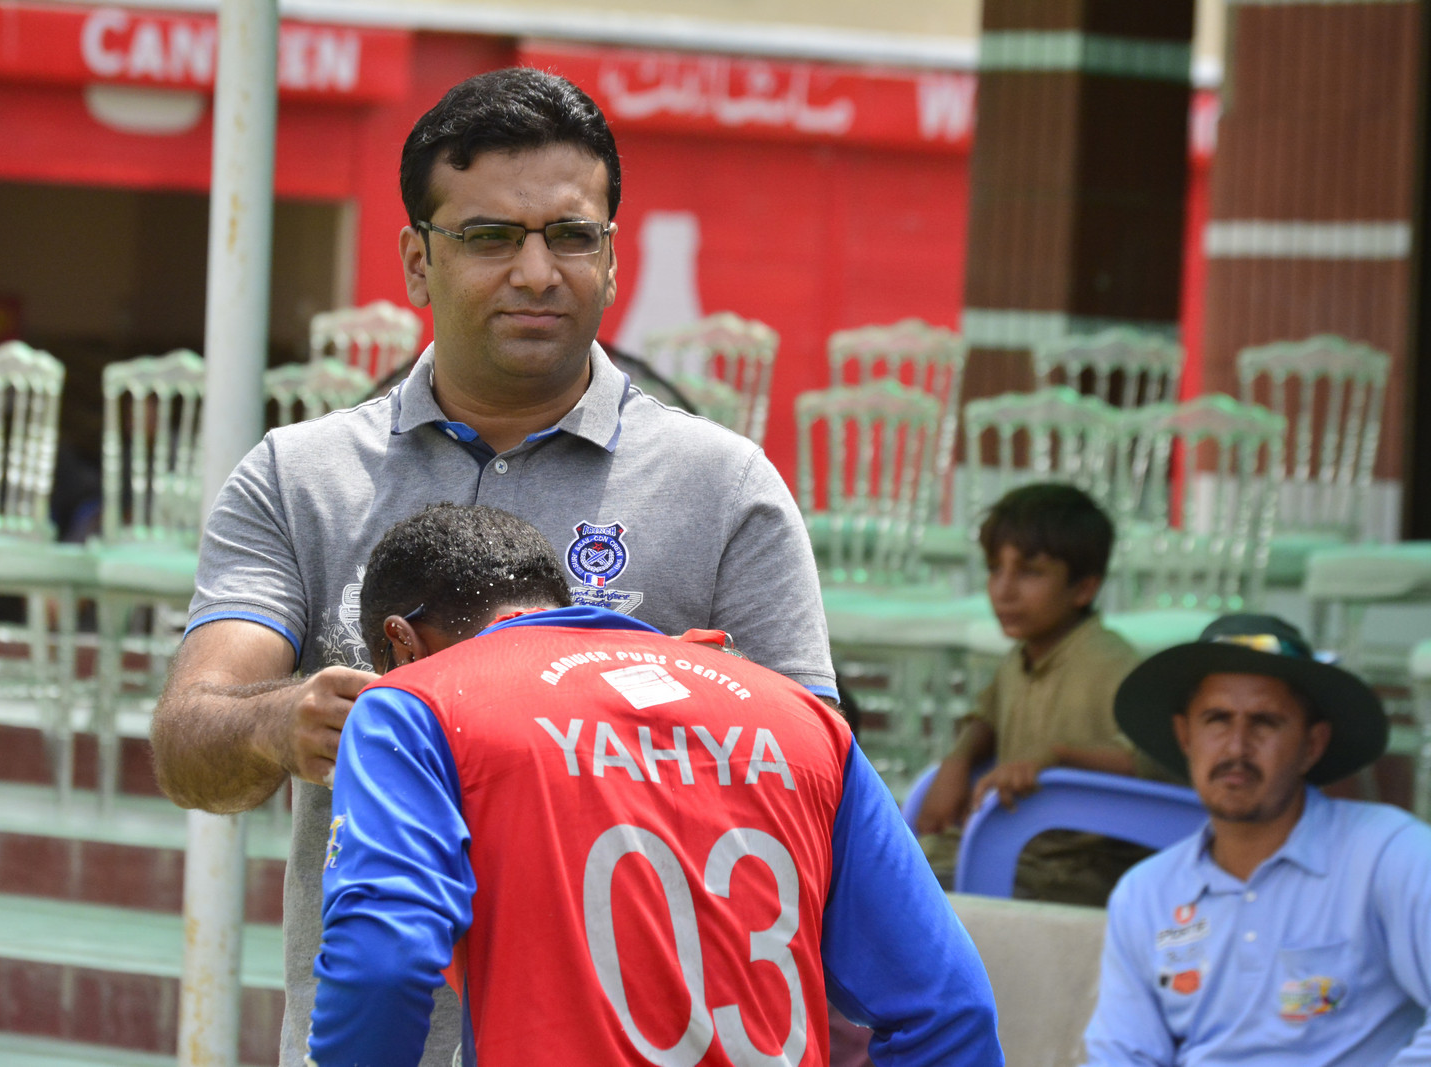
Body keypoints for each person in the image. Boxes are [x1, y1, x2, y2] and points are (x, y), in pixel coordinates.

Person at [149, 67, 836, 1067]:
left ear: (611, 256)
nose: (537, 271)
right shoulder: (300, 478)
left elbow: (816, 789)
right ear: (416, 262)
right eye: (489, 237)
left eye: (571, 235)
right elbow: (188, 744)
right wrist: (281, 720)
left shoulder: (723, 487)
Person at [305, 504, 1002, 1067]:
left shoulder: (412, 702)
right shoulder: (802, 719)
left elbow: (383, 963)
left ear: (402, 644)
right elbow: (949, 1007)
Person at [1083, 613, 1431, 1065]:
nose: (1236, 748)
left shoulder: (1390, 855)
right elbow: (1121, 1056)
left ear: (1312, 744)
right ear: (1185, 736)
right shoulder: (1145, 894)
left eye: (1264, 722)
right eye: (1217, 720)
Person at [915, 483, 1150, 906]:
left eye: (1030, 572)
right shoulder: (1019, 658)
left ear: (1084, 588)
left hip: (1076, 868)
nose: (1003, 590)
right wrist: (958, 761)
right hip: (1009, 849)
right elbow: (985, 717)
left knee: (914, 901)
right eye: (994, 569)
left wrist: (1057, 756)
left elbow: (1148, 761)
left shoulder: (1113, 664)